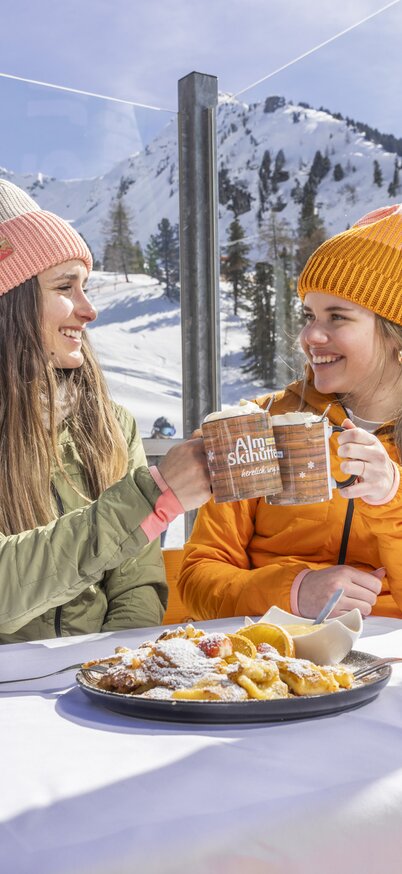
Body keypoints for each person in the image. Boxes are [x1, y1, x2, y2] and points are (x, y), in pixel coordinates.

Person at [0, 179, 211, 644]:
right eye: (65, 286)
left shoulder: (111, 423)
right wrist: (148, 497)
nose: (89, 309)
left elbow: (136, 577)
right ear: (9, 302)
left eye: (86, 286)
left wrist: (108, 668)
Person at [178, 204, 402, 622]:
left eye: (337, 316)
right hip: (270, 667)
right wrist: (293, 592)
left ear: (394, 334)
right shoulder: (259, 425)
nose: (310, 336)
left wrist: (392, 498)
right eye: (309, 315)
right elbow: (199, 578)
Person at [148, 417, 176, 546]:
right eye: (167, 431)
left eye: (172, 432)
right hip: (146, 501)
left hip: (163, 503)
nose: (169, 436)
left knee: (159, 543)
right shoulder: (146, 447)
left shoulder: (169, 450)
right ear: (157, 431)